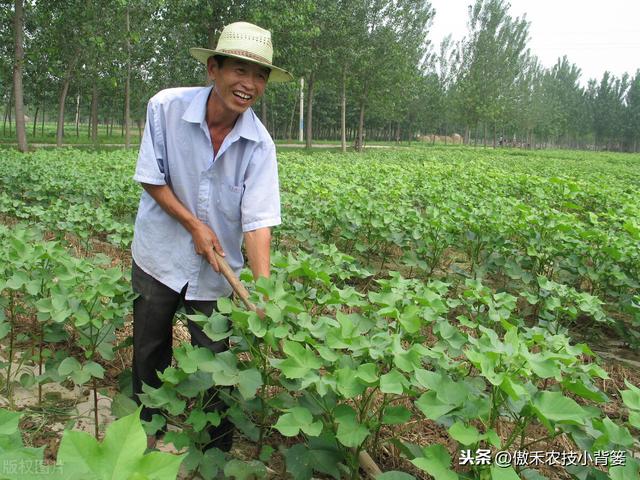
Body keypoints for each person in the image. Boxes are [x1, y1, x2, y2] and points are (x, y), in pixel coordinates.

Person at [130, 21, 293, 452]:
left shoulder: (260, 145)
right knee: (150, 348)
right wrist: (193, 225)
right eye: (240, 70)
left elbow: (258, 222)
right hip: (159, 254)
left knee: (217, 359)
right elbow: (151, 178)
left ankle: (215, 450)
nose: (249, 84)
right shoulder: (165, 107)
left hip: (217, 272)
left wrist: (261, 291)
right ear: (213, 69)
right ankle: (146, 433)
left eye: (259, 75)